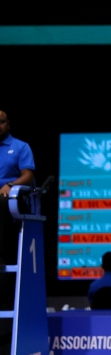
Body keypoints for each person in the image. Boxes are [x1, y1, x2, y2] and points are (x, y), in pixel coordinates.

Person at [0, 110, 36, 263]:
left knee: (1, 200)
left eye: (1, 122)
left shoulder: (21, 146)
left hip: (12, 196)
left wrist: (10, 184)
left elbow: (28, 176)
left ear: (8, 125)